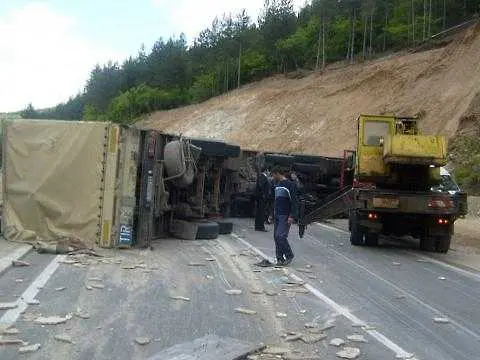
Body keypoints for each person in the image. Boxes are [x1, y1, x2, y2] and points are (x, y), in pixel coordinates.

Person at [256, 166, 298, 267]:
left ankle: (289, 255)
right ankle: (279, 259)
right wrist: (271, 214)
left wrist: (292, 215)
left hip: (285, 215)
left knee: (280, 236)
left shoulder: (290, 185)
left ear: (278, 173)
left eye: (273, 174)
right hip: (277, 214)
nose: (272, 176)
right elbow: (275, 201)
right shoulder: (277, 185)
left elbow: (294, 201)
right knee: (276, 237)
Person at [254, 167, 271, 231]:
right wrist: (264, 194)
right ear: (266, 170)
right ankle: (260, 227)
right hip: (261, 198)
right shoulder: (263, 177)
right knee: (261, 212)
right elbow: (261, 185)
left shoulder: (261, 176)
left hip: (260, 197)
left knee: (259, 212)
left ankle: (258, 226)